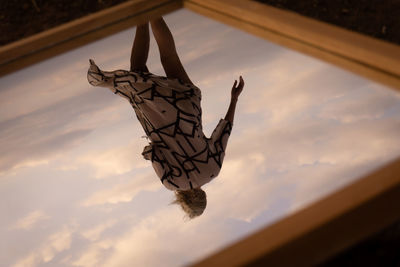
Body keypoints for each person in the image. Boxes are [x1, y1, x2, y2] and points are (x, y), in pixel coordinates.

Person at [87, 17, 244, 218]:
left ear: (203, 195)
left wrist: (234, 99)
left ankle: (154, 10)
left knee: (169, 57)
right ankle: (142, 14)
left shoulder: (213, 170)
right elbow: (153, 152)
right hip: (160, 119)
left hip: (188, 109)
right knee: (138, 69)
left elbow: (225, 131)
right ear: (183, 201)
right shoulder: (171, 183)